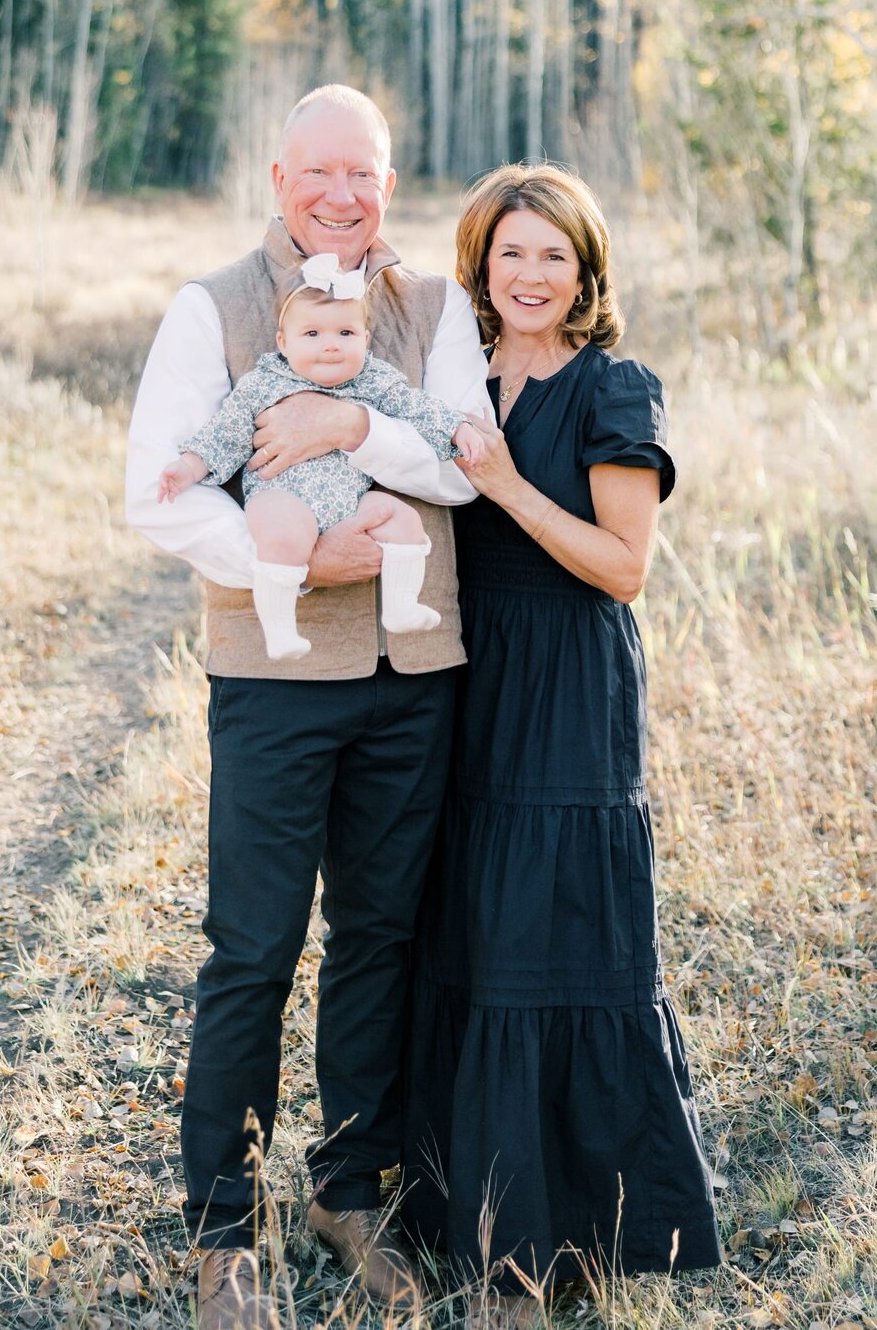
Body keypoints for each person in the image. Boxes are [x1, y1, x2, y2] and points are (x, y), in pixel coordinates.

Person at [125, 85, 490, 1330]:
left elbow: (464, 460)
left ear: (391, 182)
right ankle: (225, 1222)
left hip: (410, 684)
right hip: (274, 682)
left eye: (369, 174)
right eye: (322, 170)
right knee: (255, 944)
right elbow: (158, 493)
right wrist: (295, 560)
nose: (345, 194)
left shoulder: (434, 307)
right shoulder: (212, 306)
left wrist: (350, 421)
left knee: (382, 935)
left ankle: (350, 1184)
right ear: (279, 174)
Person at [401, 163, 723, 1324]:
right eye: (509, 253)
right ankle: (476, 1222)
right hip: (463, 676)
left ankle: (543, 1260)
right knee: (474, 939)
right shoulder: (456, 373)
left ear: (586, 268)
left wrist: (503, 484)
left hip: (568, 692)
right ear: (479, 265)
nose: (530, 274)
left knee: (555, 945)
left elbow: (623, 567)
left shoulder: (614, 387)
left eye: (553, 254)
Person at [158, 266, 485, 660]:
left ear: (365, 339)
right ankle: (280, 629)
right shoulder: (265, 383)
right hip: (281, 494)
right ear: (283, 341)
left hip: (348, 504)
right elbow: (225, 434)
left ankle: (401, 606)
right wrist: (189, 467)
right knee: (285, 536)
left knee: (400, 518)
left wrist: (457, 428)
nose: (330, 346)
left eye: (345, 334)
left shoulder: (371, 379)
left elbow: (418, 407)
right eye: (312, 334)